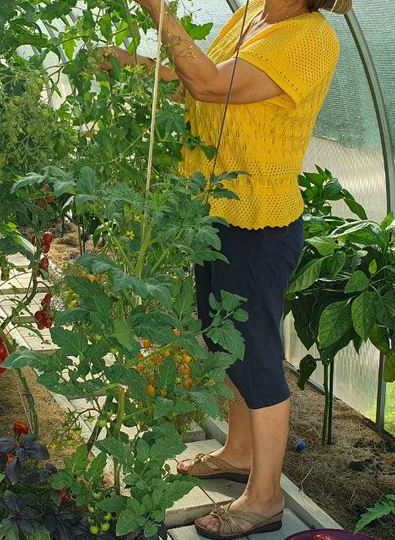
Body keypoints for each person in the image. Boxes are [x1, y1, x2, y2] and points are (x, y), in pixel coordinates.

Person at [99, 0, 348, 537]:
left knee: (254, 355)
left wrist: (158, 10)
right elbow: (197, 79)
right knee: (223, 340)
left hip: (259, 222)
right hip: (217, 212)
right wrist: (136, 66)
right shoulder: (253, 15)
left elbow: (211, 85)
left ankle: (265, 498)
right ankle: (238, 453)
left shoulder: (309, 38)